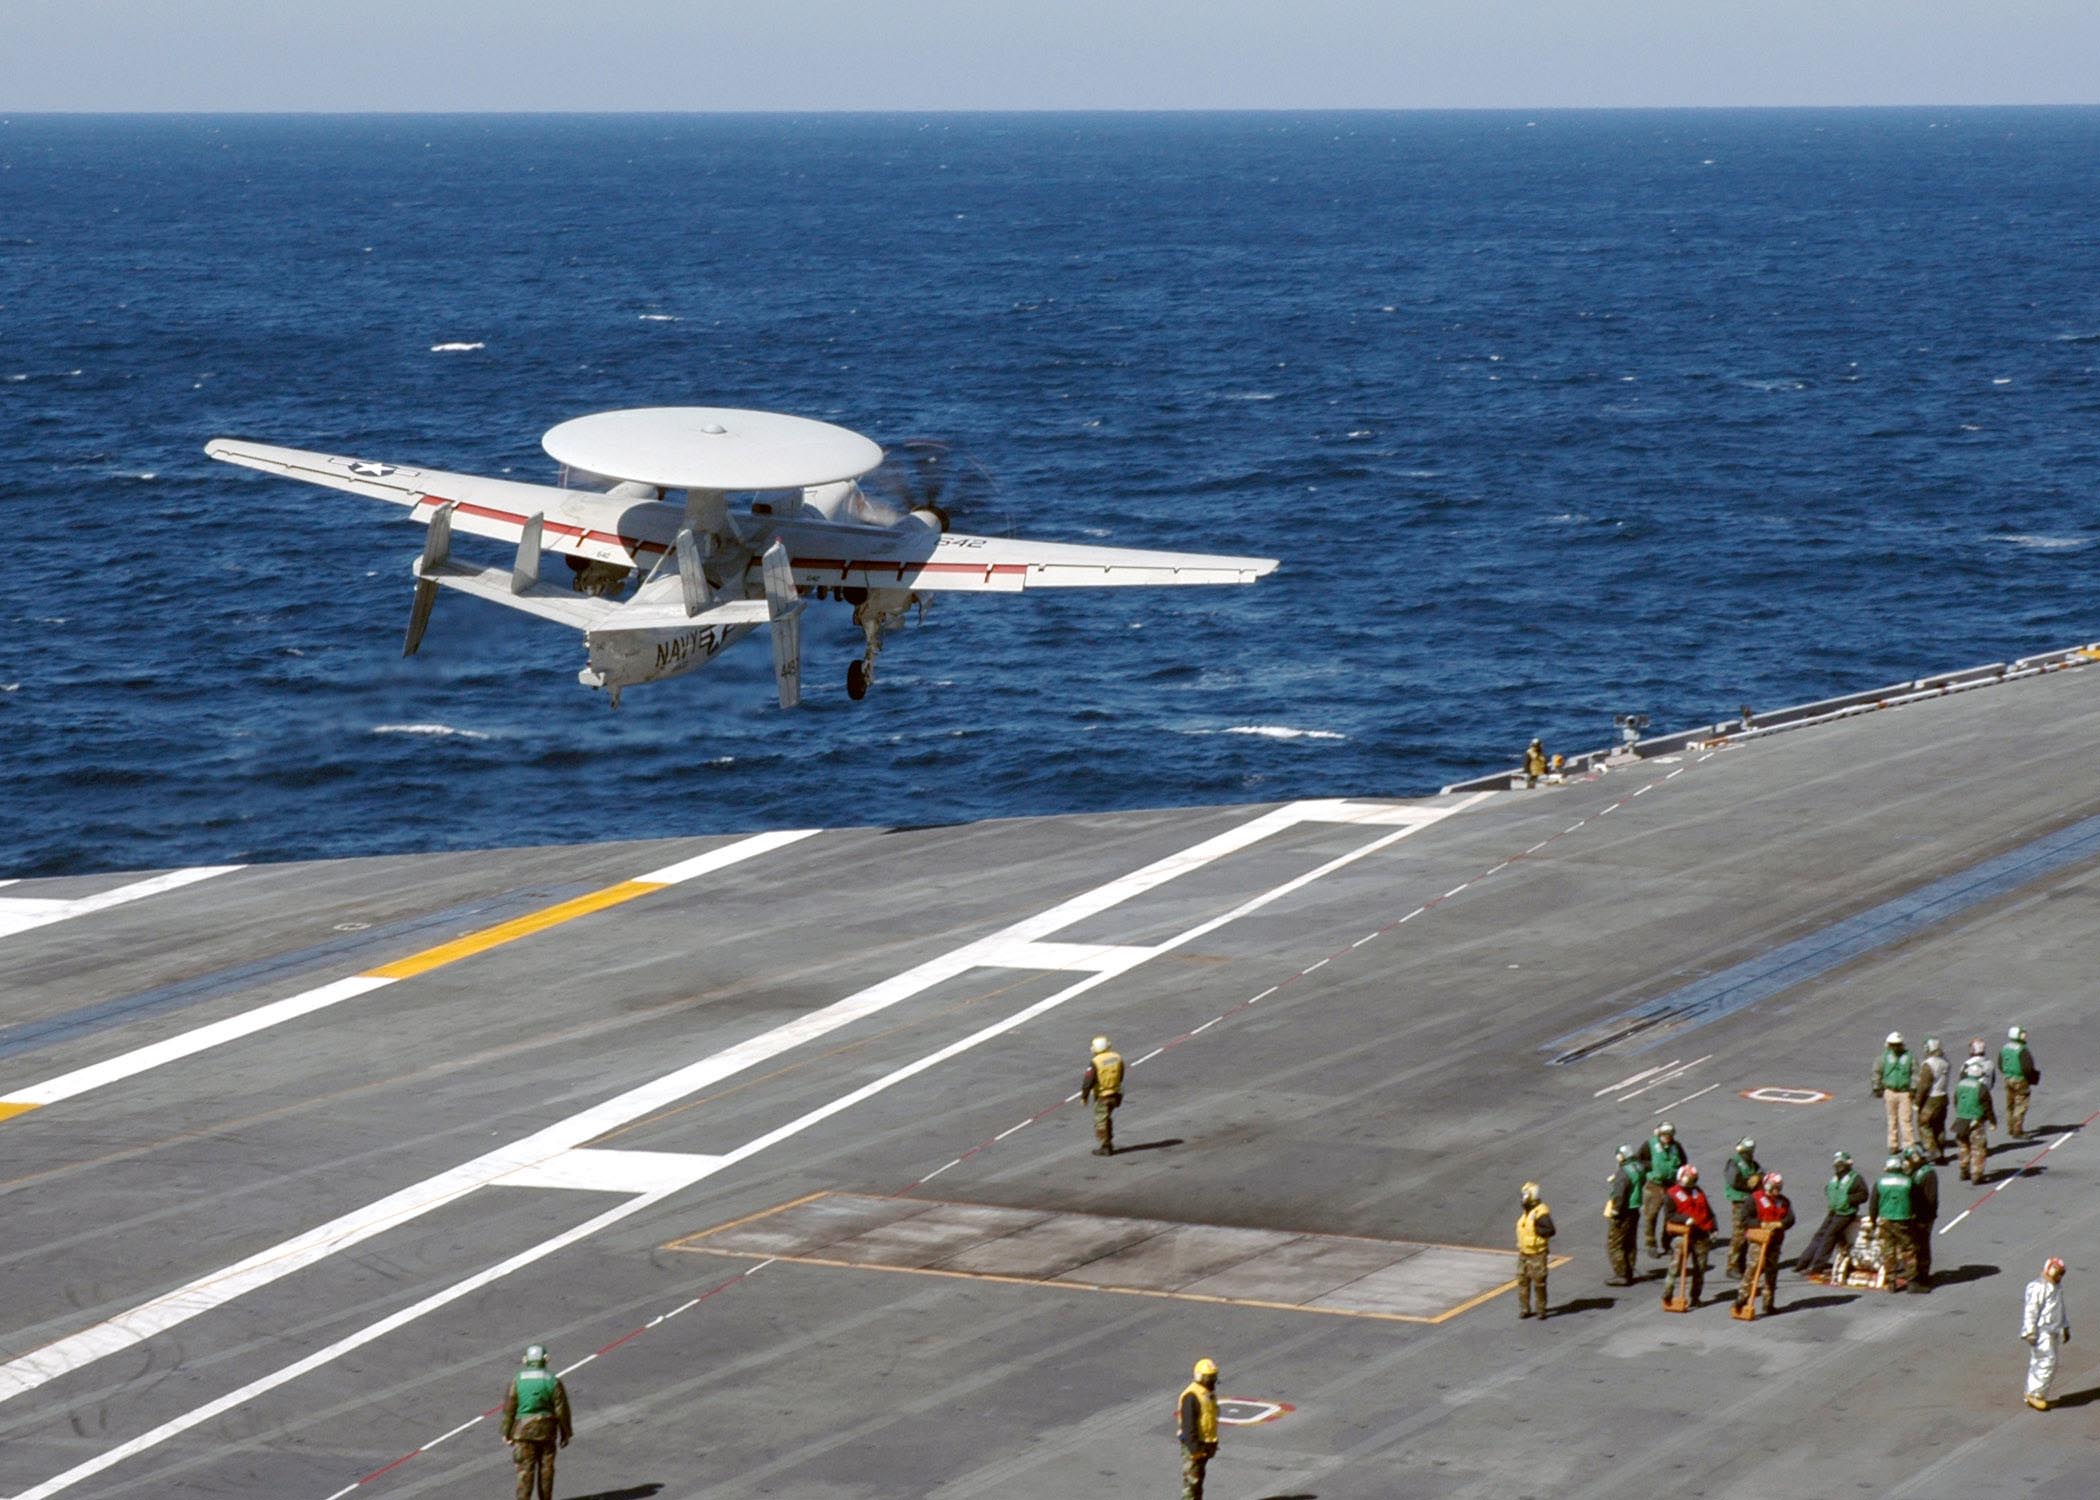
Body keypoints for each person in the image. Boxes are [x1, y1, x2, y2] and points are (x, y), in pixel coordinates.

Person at [500, 1344, 572, 1500]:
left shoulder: (517, 1380)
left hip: (523, 1433)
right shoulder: (553, 1381)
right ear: (546, 1359)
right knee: (546, 1471)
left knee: (525, 1472)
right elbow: (562, 1410)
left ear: (526, 1360)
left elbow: (509, 1409)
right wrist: (566, 1433)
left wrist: (506, 1432)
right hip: (547, 1433)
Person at [1795, 1151, 1870, 1277]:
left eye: (1840, 1164)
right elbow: (1828, 1189)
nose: (1838, 1167)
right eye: (1836, 1164)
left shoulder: (1855, 1178)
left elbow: (1864, 1195)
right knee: (1819, 1235)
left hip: (1846, 1213)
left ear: (1847, 1164)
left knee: (1830, 1236)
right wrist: (1833, 1197)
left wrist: (1847, 1199)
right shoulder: (1835, 1178)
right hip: (1834, 1211)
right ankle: (1803, 1262)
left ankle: (1817, 1265)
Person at [1735, 1171, 1796, 1315]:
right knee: (1752, 1269)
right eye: (1774, 1187)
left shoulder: (1783, 1201)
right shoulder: (1754, 1199)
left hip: (1775, 1242)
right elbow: (1744, 1219)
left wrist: (1779, 1224)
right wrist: (1761, 1224)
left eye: (1779, 1188)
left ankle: (1768, 1304)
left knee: (1771, 1273)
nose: (1777, 1191)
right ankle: (1741, 1299)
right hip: (1758, 1240)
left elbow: (1790, 1219)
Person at [1662, 1164, 1717, 1307]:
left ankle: (1695, 1297)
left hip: (1701, 1235)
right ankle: (1667, 1293)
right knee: (1676, 1266)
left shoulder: (1698, 1191)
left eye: (1693, 1179)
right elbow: (1670, 1215)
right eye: (1688, 1179)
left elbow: (1708, 1211)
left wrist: (1713, 1228)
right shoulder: (1672, 1194)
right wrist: (1685, 1219)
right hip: (1683, 1234)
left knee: (1700, 1268)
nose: (1690, 1182)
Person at [2021, 1259, 2070, 1410]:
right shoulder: (2038, 1287)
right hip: (2042, 1331)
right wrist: (2030, 1331)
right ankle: (2035, 1394)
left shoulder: (2056, 1287)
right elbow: (2031, 1311)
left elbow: (2059, 1309)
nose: (2060, 1277)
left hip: (2053, 1330)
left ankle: (2035, 1392)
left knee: (2043, 1361)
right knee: (2046, 1361)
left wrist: (2065, 1327)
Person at [1637, 1121, 1687, 1260]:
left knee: (1669, 1216)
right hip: (1654, 1185)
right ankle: (1651, 1244)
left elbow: (1684, 1162)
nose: (1667, 1137)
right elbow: (1639, 1160)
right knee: (1651, 1215)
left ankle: (1667, 1242)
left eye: (1669, 1135)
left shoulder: (1676, 1147)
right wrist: (1653, 1166)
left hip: (1671, 1186)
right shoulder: (1649, 1145)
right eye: (1664, 1134)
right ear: (1659, 1134)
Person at [1722, 1137, 1763, 1280]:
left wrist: (1758, 1177)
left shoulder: (1752, 1163)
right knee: (1739, 1235)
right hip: (1739, 1201)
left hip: (1750, 1201)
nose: (1748, 1154)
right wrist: (1749, 1184)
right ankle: (1732, 1266)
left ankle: (1741, 1264)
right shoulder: (1734, 1162)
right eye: (1746, 1151)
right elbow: (1734, 1181)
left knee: (1747, 1235)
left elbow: (1761, 1173)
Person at [1179, 1357, 1221, 1499]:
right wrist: (1195, 1450)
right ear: (1200, 1377)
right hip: (1195, 1447)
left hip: (1204, 1446)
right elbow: (1188, 1426)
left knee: (1197, 1484)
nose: (1212, 1380)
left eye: (1213, 1376)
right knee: (1191, 1485)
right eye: (1209, 1377)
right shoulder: (1192, 1396)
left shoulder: (1206, 1394)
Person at [1874, 1155, 1917, 1289]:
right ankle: (1911, 1279)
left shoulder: (1880, 1182)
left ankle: (1891, 1280)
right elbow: (1915, 1200)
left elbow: (1873, 1203)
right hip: (1903, 1219)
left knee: (1888, 1251)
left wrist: (1873, 1218)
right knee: (1908, 1250)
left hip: (1885, 1219)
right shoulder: (1908, 1181)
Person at [1871, 1031, 1919, 1152]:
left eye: (1898, 1044)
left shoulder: (1909, 1057)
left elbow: (1915, 1074)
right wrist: (1877, 1087)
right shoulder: (1884, 1058)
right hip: (1890, 1091)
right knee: (1892, 1119)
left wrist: (1913, 1088)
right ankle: (1893, 1145)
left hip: (1905, 1092)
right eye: (1893, 1044)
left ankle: (1908, 1145)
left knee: (1905, 1120)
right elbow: (1877, 1071)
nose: (1895, 1047)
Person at [1604, 1144, 1644, 1285]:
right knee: (1630, 1242)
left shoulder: (1623, 1172)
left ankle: (1621, 1274)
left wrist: (1615, 1210)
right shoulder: (1638, 1167)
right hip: (1634, 1209)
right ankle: (1629, 1270)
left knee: (1615, 1244)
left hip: (1623, 1211)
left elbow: (1620, 1194)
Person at [1953, 1056, 1996, 1183]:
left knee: (1963, 1146)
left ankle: (1963, 1169)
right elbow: (1987, 1106)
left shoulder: (1959, 1085)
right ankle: (1976, 1174)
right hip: (1976, 1122)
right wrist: (1992, 1121)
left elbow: (1956, 1101)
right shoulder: (1981, 1088)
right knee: (1978, 1149)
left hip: (1961, 1120)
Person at [1516, 1180, 1556, 1319]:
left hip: (1537, 1254)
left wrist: (1536, 1229)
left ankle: (1541, 1309)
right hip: (1524, 1252)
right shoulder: (1527, 1210)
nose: (1523, 1198)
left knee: (1539, 1282)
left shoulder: (1540, 1212)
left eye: (1525, 1195)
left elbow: (1549, 1230)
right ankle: (1524, 1308)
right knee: (1522, 1280)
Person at [1080, 1035, 1124, 1156]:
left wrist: (1084, 1097)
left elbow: (1087, 1081)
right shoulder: (1117, 1057)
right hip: (1116, 1094)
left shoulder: (1095, 1062)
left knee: (1101, 1122)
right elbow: (1121, 1075)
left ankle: (1106, 1146)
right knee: (1107, 1118)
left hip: (1103, 1096)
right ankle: (1108, 1142)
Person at [1905, 1144, 1939, 1286]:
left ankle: (1923, 1275)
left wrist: (1919, 1214)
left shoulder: (1928, 1173)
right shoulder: (1914, 1171)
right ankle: (1914, 1272)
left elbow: (1930, 1199)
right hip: (1914, 1215)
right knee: (1914, 1245)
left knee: (1923, 1245)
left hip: (1924, 1216)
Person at [1916, 1037, 1951, 1162]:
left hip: (1932, 1099)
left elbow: (1924, 1085)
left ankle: (1932, 1150)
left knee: (1924, 1124)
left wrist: (1917, 1102)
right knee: (1939, 1126)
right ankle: (1941, 1153)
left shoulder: (1929, 1064)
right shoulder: (1945, 1062)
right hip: (1943, 1097)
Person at [2001, 1026, 2039, 1138]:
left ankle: (2010, 1128)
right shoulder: (2022, 1050)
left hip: (2008, 1079)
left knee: (2010, 1104)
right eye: (2022, 1034)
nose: (2024, 1036)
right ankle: (2017, 1131)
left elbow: (2000, 1063)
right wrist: (2032, 1077)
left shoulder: (2005, 1048)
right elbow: (2028, 1067)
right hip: (2020, 1080)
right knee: (2020, 1106)